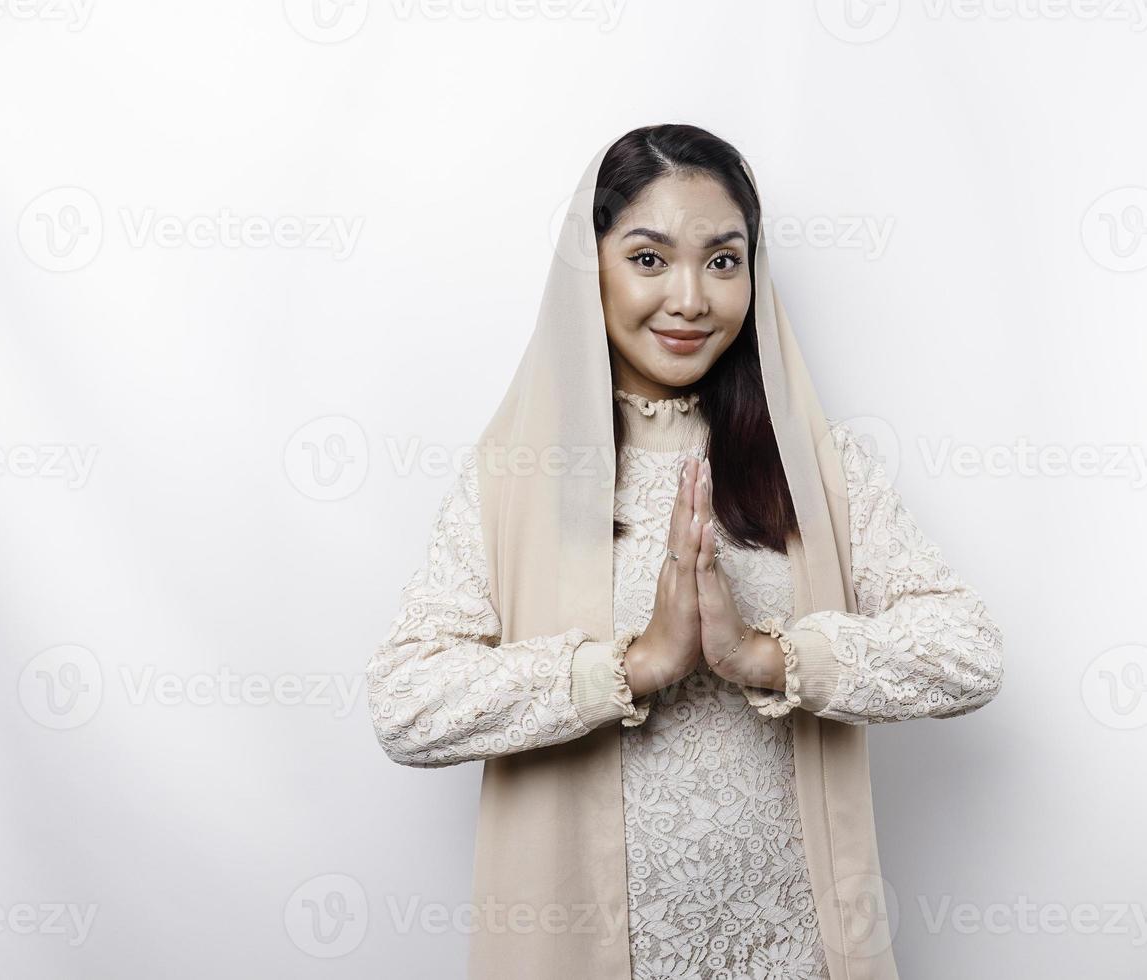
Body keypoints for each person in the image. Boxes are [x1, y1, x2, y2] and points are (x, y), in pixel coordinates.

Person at [365, 123, 1004, 980]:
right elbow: (407, 705)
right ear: (588, 267)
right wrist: (632, 667)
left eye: (723, 260)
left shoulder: (814, 466)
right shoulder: (516, 476)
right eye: (649, 258)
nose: (691, 300)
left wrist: (765, 655)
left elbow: (969, 653)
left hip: (791, 947)